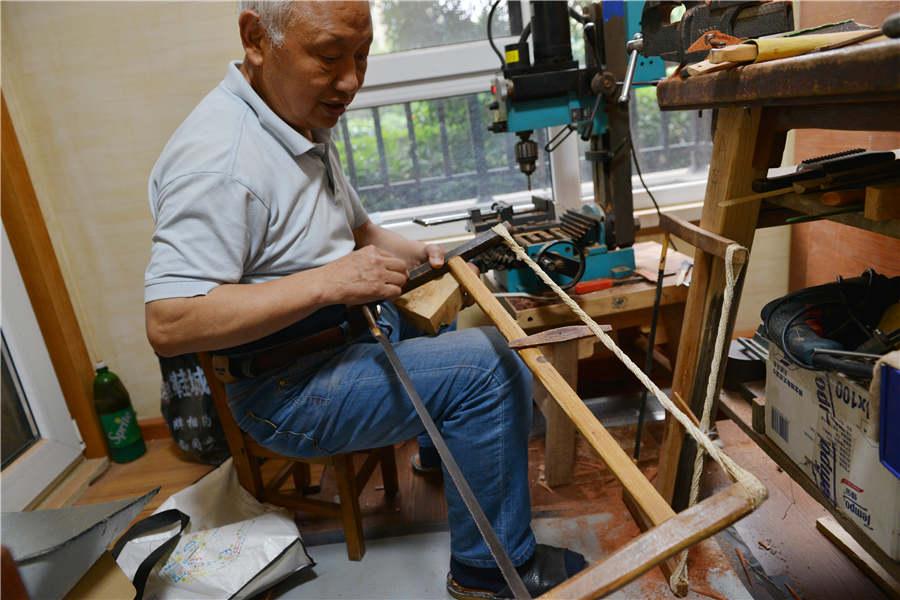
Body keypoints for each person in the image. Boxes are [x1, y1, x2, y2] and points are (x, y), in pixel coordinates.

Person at [144, 2, 585, 597]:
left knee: (446, 304)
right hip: (285, 388)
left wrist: (435, 257)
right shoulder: (220, 161)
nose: (351, 80)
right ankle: (488, 572)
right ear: (255, 38)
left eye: (362, 56)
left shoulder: (294, 121)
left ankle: (445, 454)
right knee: (491, 368)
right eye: (330, 57)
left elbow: (361, 234)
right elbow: (169, 322)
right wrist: (329, 283)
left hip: (340, 337)